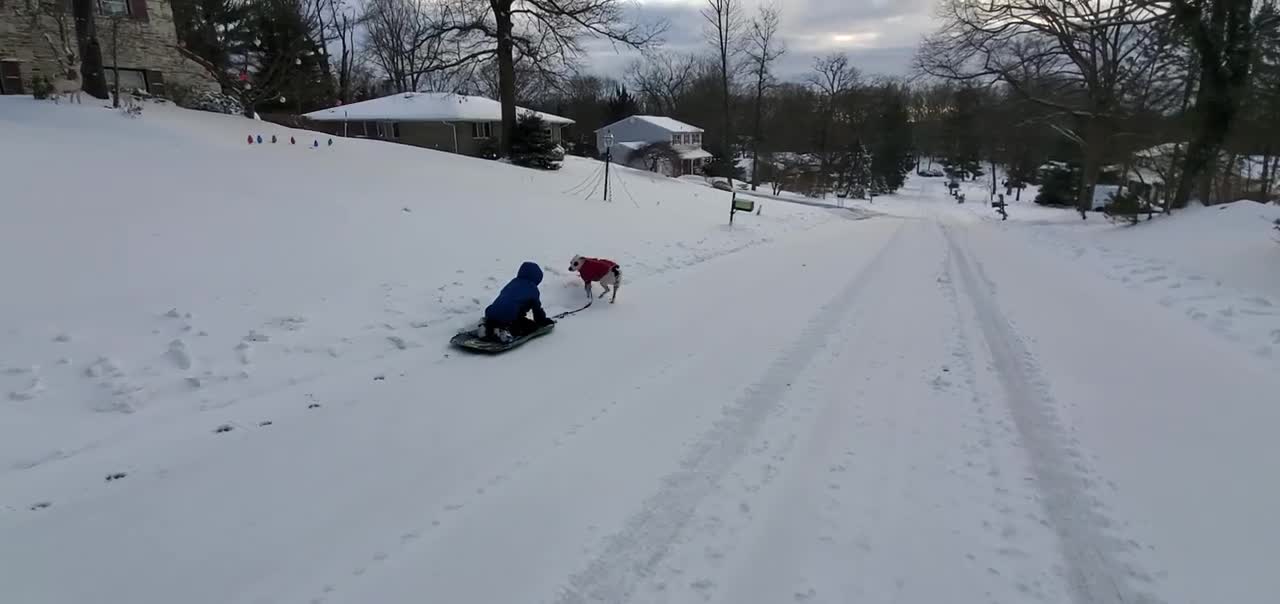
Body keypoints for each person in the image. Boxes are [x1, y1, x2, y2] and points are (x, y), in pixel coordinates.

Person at [481, 261, 552, 342]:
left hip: (492, 311)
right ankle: (507, 331)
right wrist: (542, 321)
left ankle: (487, 326)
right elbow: (537, 310)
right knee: (531, 326)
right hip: (509, 316)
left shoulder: (513, 282)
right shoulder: (533, 289)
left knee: (502, 314)